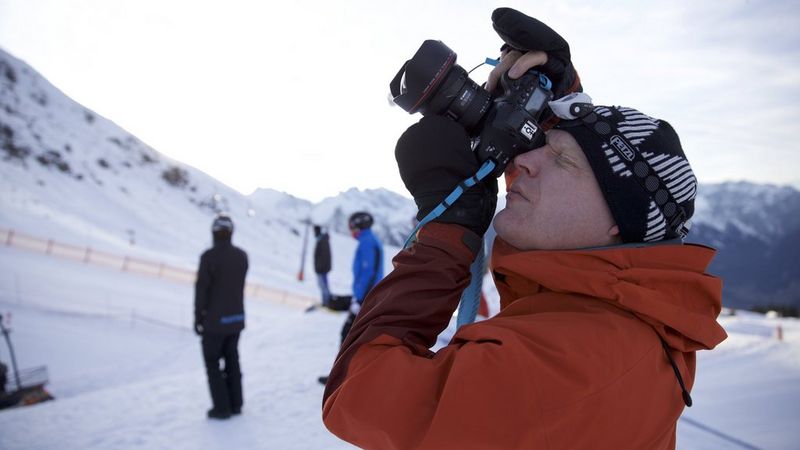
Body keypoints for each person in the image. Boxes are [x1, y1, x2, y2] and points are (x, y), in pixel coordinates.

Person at [321, 8, 726, 449]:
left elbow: (360, 392)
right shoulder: (621, 313)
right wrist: (549, 105)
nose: (522, 162)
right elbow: (580, 186)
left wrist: (446, 233)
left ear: (618, 220)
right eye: (541, 146)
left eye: (560, 160)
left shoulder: (568, 366)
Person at [318, 211, 384, 385]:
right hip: (367, 297)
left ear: (359, 225)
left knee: (348, 335)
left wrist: (359, 300)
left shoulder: (367, 243)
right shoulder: (368, 241)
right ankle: (347, 375)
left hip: (366, 299)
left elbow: (368, 273)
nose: (350, 230)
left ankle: (341, 377)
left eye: (351, 226)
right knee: (354, 337)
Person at [194, 214, 249, 420]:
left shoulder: (209, 257)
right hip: (236, 319)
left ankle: (221, 408)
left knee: (213, 364)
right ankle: (236, 404)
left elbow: (202, 291)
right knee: (232, 360)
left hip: (214, 323)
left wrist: (198, 318)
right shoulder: (242, 256)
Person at [313, 225, 333, 307]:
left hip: (322, 269)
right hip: (321, 268)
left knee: (324, 285)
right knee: (322, 285)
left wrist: (320, 268)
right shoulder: (321, 240)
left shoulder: (322, 240)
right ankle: (325, 301)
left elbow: (324, 256)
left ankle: (327, 302)